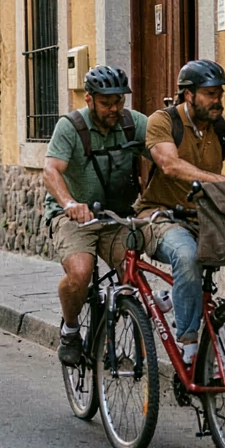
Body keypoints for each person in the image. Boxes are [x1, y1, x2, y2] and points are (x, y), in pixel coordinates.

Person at [138, 59, 225, 364]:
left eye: (219, 94)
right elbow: (169, 165)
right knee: (186, 255)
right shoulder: (162, 122)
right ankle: (189, 348)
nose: (217, 100)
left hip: (205, 216)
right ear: (188, 95)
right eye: (209, 94)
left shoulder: (224, 127)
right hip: (161, 216)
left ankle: (175, 297)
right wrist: (223, 180)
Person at [41, 66, 149, 366]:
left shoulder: (133, 123)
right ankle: (71, 329)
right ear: (89, 100)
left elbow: (164, 155)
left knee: (134, 275)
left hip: (116, 216)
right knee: (80, 273)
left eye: (119, 101)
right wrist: (69, 203)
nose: (114, 108)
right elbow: (51, 171)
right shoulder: (71, 127)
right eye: (106, 102)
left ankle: (124, 324)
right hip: (75, 216)